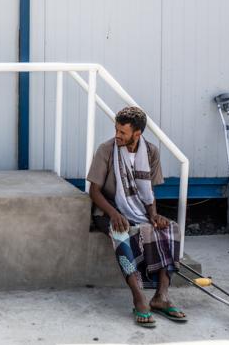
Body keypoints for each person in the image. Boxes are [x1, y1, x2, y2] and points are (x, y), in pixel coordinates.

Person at [87, 106, 187, 328]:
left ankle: (161, 296)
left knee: (169, 229)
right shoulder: (106, 150)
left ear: (137, 133)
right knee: (122, 233)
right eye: (116, 130)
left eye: (123, 132)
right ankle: (139, 297)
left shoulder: (151, 152)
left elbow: (148, 192)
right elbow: (94, 191)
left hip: (139, 210)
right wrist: (114, 214)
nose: (117, 135)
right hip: (108, 210)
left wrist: (153, 215)